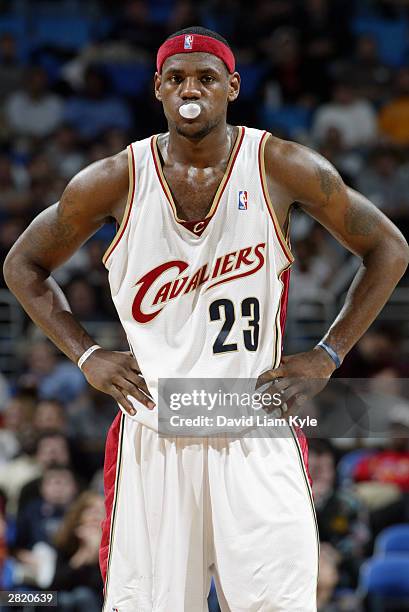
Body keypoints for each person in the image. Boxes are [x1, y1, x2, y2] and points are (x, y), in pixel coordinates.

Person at [3, 25, 408, 612]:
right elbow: (23, 265)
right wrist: (86, 354)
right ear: (158, 90)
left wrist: (328, 355)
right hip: (156, 428)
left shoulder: (282, 165)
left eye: (206, 78)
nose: (191, 88)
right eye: (177, 78)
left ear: (232, 87)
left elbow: (389, 249)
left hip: (255, 422)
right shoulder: (115, 178)